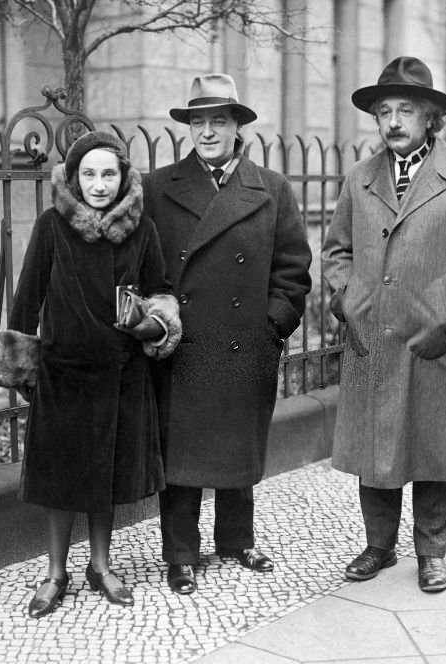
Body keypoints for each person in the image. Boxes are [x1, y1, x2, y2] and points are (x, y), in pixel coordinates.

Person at [321, 57, 446, 593]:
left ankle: (431, 552)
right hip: (372, 333)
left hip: (434, 335)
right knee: (374, 446)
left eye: (406, 110)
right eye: (385, 111)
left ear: (430, 118)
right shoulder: (360, 178)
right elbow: (336, 250)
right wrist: (346, 302)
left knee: (432, 445)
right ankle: (378, 546)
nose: (394, 121)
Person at [0, 131, 182, 617]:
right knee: (60, 478)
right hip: (63, 376)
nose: (98, 184)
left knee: (105, 474)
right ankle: (55, 572)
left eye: (108, 174)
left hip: (120, 375)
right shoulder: (53, 226)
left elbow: (160, 293)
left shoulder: (143, 231)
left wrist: (151, 322)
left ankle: (101, 565)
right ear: (73, 177)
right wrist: (21, 370)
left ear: (123, 178)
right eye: (88, 174)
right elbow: (26, 299)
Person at [143, 73, 312, 595]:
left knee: (238, 443)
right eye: (199, 121)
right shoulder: (158, 187)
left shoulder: (273, 188)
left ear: (238, 126)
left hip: (245, 341)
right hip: (183, 343)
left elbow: (293, 268)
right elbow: (145, 267)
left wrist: (272, 328)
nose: (208, 131)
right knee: (183, 453)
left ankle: (237, 540)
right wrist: (157, 318)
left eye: (219, 120)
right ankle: (180, 554)